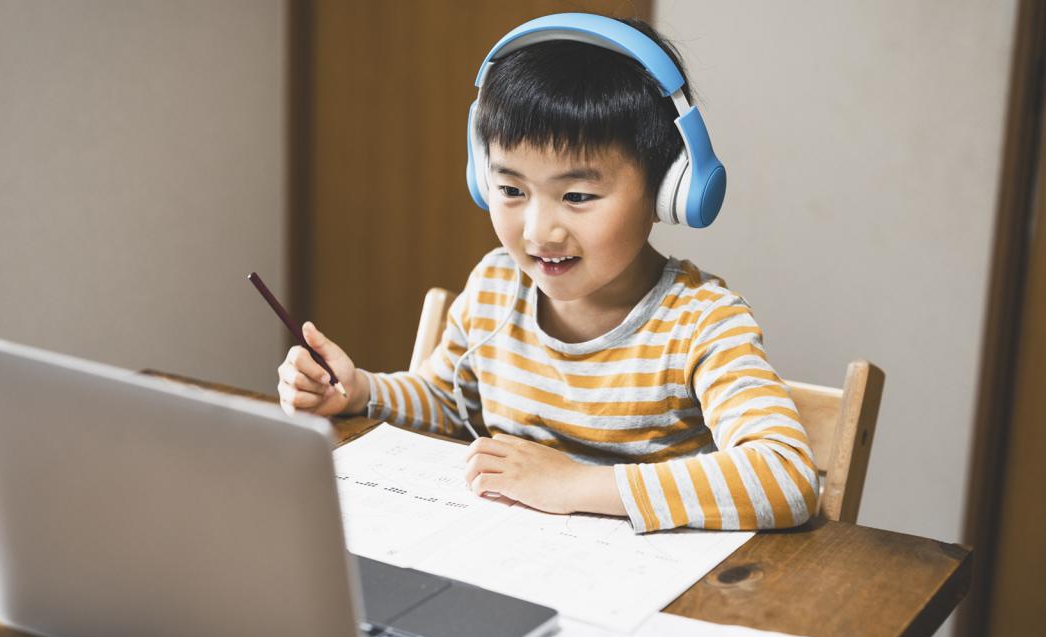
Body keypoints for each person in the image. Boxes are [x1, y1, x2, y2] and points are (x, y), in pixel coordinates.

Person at [277, 14, 817, 533]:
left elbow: (784, 477)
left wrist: (577, 485)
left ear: (668, 192)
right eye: (511, 190)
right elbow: (447, 402)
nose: (539, 232)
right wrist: (359, 391)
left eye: (577, 195)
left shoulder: (702, 322)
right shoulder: (494, 287)